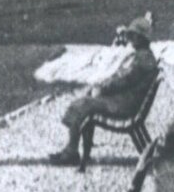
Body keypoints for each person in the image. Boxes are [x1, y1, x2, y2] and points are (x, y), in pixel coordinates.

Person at [48, 13, 160, 165]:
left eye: (133, 36)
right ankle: (70, 148)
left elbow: (123, 81)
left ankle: (71, 151)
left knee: (83, 104)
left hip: (124, 106)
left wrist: (103, 87)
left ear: (140, 38)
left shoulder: (142, 60)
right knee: (86, 99)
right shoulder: (145, 57)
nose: (130, 39)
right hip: (129, 102)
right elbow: (125, 79)